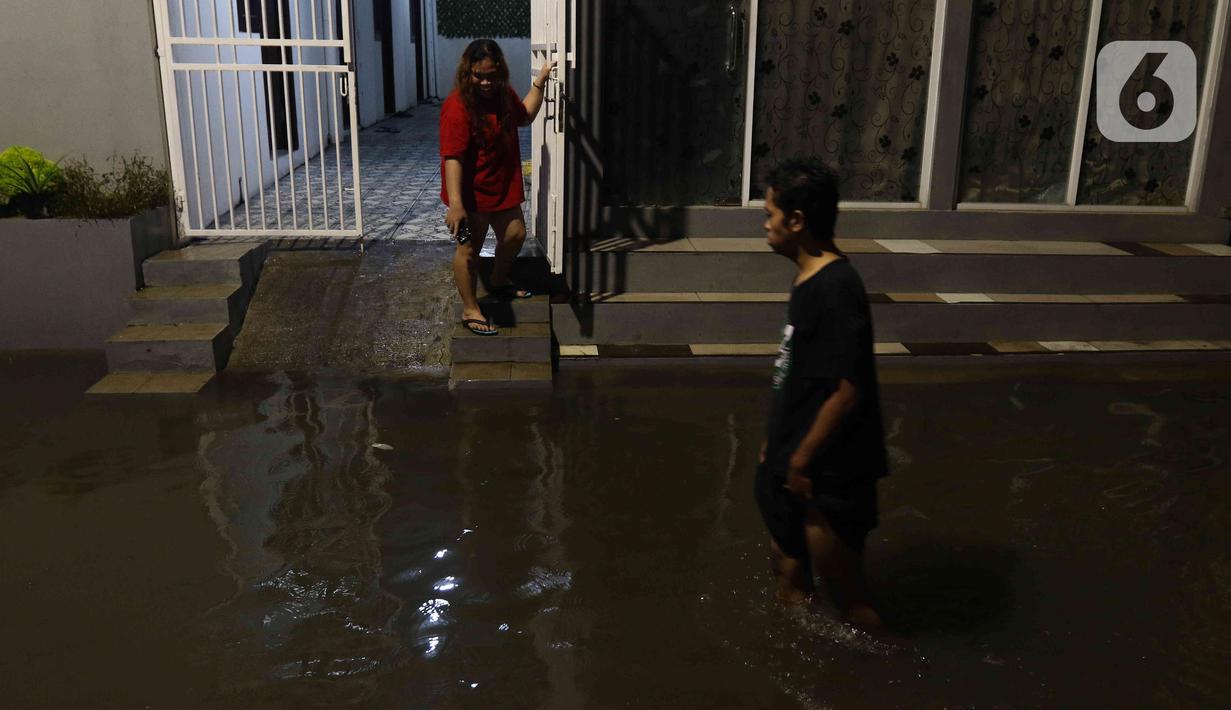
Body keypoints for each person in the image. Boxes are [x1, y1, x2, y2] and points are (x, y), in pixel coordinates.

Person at [755, 157, 889, 630]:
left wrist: (800, 459)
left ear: (796, 221)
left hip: (828, 474)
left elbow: (849, 390)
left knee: (847, 597)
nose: (765, 224)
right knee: (787, 569)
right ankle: (799, 661)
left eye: (770, 214)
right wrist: (776, 443)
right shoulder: (807, 279)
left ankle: (889, 666)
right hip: (794, 464)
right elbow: (801, 375)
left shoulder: (837, 287)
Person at [440, 39, 556, 335]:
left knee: (515, 234)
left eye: (491, 75)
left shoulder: (503, 95)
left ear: (500, 71)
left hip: (502, 186)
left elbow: (525, 115)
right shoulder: (457, 107)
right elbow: (452, 157)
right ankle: (470, 309)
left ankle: (499, 278)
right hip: (471, 194)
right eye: (479, 76)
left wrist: (540, 82)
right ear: (467, 72)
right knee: (469, 251)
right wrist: (456, 204)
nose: (486, 82)